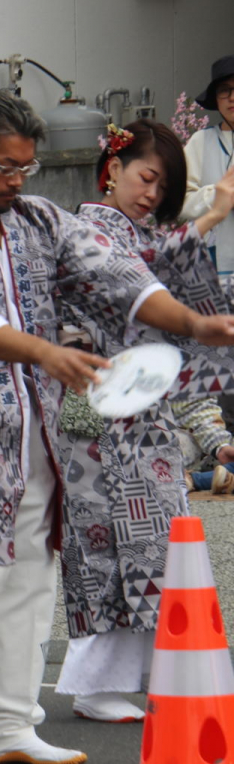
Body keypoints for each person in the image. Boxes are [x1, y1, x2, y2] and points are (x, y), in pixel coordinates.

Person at [0, 90, 234, 764]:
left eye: (27, 168)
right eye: (6, 166)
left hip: (39, 430)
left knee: (29, 578)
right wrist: (47, 351)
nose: (17, 180)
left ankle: (10, 726)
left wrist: (190, 322)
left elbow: (114, 272)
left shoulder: (39, 220)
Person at [55, 120, 234, 723]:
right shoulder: (89, 231)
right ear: (113, 169)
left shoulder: (129, 237)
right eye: (146, 178)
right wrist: (210, 218)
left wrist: (214, 437)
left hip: (141, 424)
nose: (152, 194)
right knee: (106, 551)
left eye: (163, 186)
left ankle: (155, 673)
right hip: (99, 422)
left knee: (161, 550)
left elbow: (167, 339)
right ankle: (96, 683)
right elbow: (138, 274)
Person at [181, 54, 234, 273]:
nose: (232, 97)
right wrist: (218, 196)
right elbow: (181, 201)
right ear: (216, 98)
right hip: (216, 263)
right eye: (224, 90)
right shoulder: (201, 141)